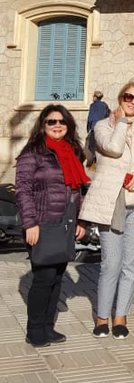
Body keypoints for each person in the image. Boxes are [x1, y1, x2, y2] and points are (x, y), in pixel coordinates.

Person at [81, 81, 134, 339]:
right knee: (110, 264)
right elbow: (113, 149)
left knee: (130, 264)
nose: (133, 102)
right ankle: (102, 316)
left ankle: (121, 316)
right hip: (111, 202)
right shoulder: (103, 125)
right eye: (129, 97)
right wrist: (122, 122)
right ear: (120, 98)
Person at [15, 105, 88, 346]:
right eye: (51, 121)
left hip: (66, 223)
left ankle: (48, 326)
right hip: (42, 223)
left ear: (68, 125)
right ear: (43, 125)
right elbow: (23, 190)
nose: (57, 125)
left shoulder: (73, 151)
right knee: (44, 278)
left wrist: (81, 220)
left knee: (58, 278)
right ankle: (35, 330)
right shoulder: (34, 152)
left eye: (62, 121)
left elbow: (79, 189)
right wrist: (30, 223)